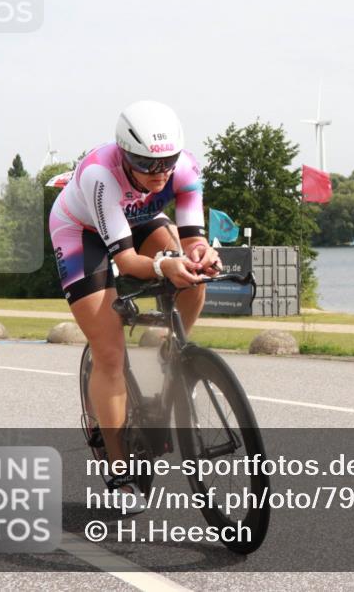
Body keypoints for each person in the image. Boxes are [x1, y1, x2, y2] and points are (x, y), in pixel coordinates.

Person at [48, 100, 221, 510]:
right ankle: (118, 465)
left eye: (166, 164)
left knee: (193, 275)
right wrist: (165, 265)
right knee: (109, 351)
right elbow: (126, 262)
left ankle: (169, 352)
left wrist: (202, 255)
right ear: (124, 155)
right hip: (81, 231)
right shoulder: (100, 175)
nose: (160, 174)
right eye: (146, 164)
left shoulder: (184, 169)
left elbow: (194, 237)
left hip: (140, 218)